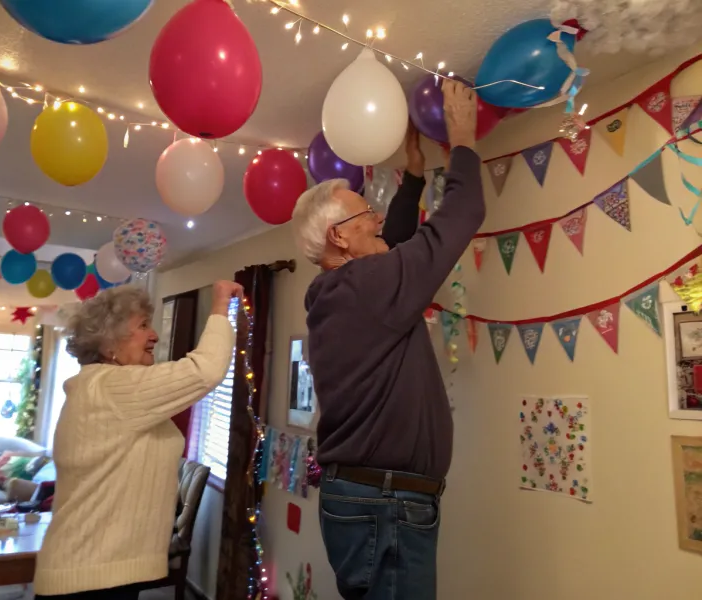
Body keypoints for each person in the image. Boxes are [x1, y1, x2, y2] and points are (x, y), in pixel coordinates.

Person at [291, 81, 485, 600]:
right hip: (387, 505)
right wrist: (463, 138)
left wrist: (416, 176)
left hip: (368, 499)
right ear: (339, 237)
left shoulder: (344, 292)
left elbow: (392, 245)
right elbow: (460, 218)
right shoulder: (366, 288)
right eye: (364, 214)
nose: (376, 218)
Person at [34, 281, 242, 600]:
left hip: (100, 571)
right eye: (143, 326)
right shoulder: (112, 387)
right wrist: (219, 306)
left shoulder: (102, 388)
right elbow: (206, 370)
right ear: (109, 344)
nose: (154, 335)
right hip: (89, 577)